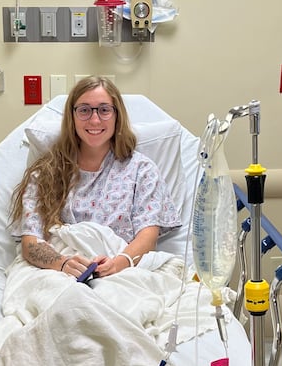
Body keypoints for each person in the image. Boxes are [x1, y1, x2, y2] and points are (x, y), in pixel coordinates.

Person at [9, 75, 181, 279]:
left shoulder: (141, 171)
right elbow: (30, 243)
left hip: (122, 271)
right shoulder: (45, 173)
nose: (94, 120)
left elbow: (148, 236)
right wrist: (62, 263)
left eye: (104, 110)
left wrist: (119, 263)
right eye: (84, 110)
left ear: (117, 116)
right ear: (71, 117)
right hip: (59, 273)